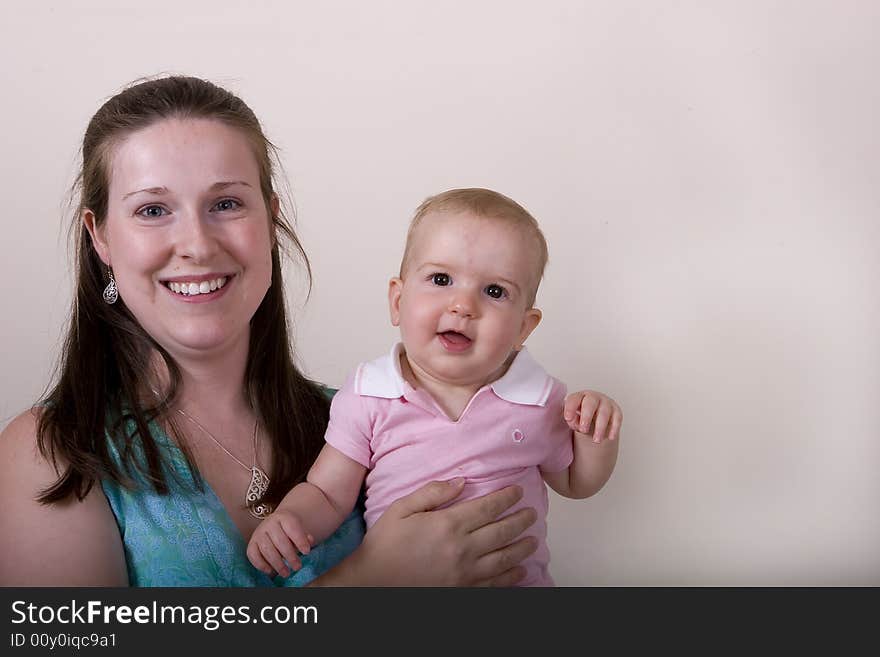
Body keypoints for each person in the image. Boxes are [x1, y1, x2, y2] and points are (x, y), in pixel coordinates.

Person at [0, 77, 542, 587]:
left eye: (227, 203)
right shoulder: (52, 452)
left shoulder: (365, 418)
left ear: (271, 220)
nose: (197, 244)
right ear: (101, 239)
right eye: (153, 209)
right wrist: (369, 584)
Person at [247, 188, 623, 586]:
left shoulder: (538, 399)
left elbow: (577, 482)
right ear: (397, 300)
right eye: (441, 279)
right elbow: (326, 493)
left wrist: (596, 431)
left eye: (494, 291)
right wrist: (289, 520)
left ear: (523, 328)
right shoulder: (370, 394)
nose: (463, 305)